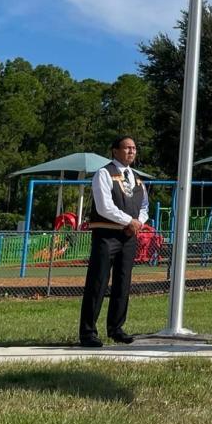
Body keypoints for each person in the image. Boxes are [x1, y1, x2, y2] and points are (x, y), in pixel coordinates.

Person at [79, 136, 148, 348]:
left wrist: (138, 223)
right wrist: (130, 221)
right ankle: (88, 332)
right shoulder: (104, 173)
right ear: (115, 151)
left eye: (134, 148)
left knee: (123, 282)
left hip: (128, 236)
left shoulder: (136, 178)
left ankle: (116, 328)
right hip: (107, 235)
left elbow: (144, 206)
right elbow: (104, 207)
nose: (131, 152)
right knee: (98, 282)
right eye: (127, 148)